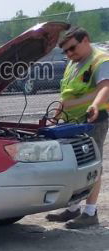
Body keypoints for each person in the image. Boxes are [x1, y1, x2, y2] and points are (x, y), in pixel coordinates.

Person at [46, 27, 109, 228]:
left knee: (92, 165)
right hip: (72, 122)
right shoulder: (73, 63)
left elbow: (105, 88)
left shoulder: (100, 60)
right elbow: (66, 96)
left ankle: (90, 213)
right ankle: (73, 209)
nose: (69, 54)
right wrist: (55, 117)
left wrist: (95, 105)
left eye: (72, 48)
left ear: (86, 40)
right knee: (75, 165)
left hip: (93, 120)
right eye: (65, 51)